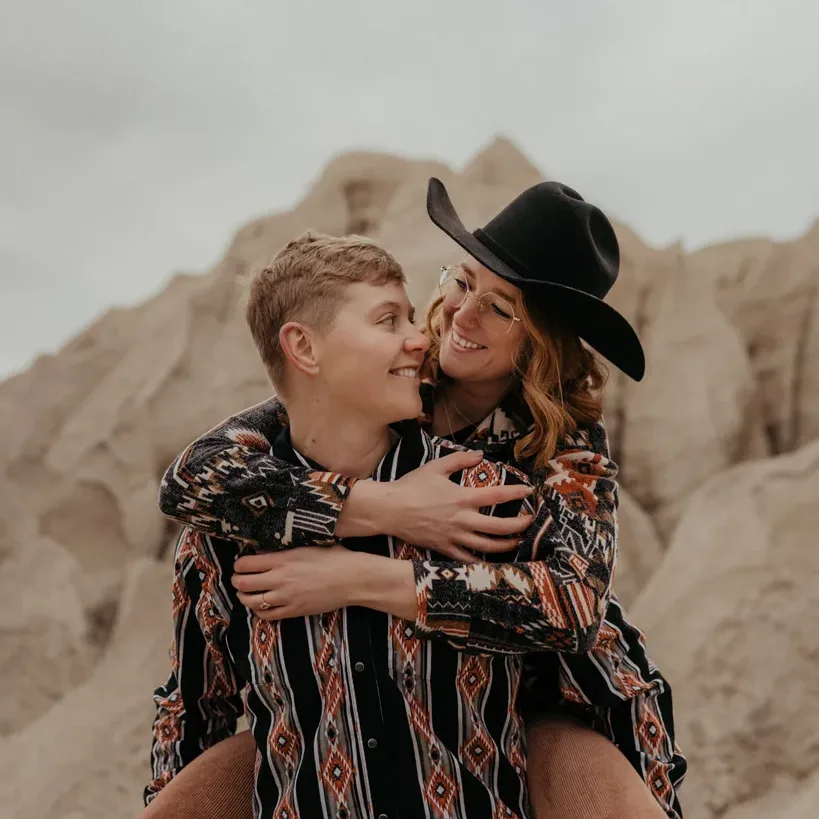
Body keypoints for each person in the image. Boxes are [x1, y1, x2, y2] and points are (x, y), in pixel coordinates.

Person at [147, 180, 686, 818]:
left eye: (501, 307)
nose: (460, 316)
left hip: (556, 690)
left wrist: (360, 576)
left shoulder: (563, 449)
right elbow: (197, 476)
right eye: (462, 282)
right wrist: (383, 510)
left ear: (541, 340)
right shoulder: (394, 372)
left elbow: (570, 606)